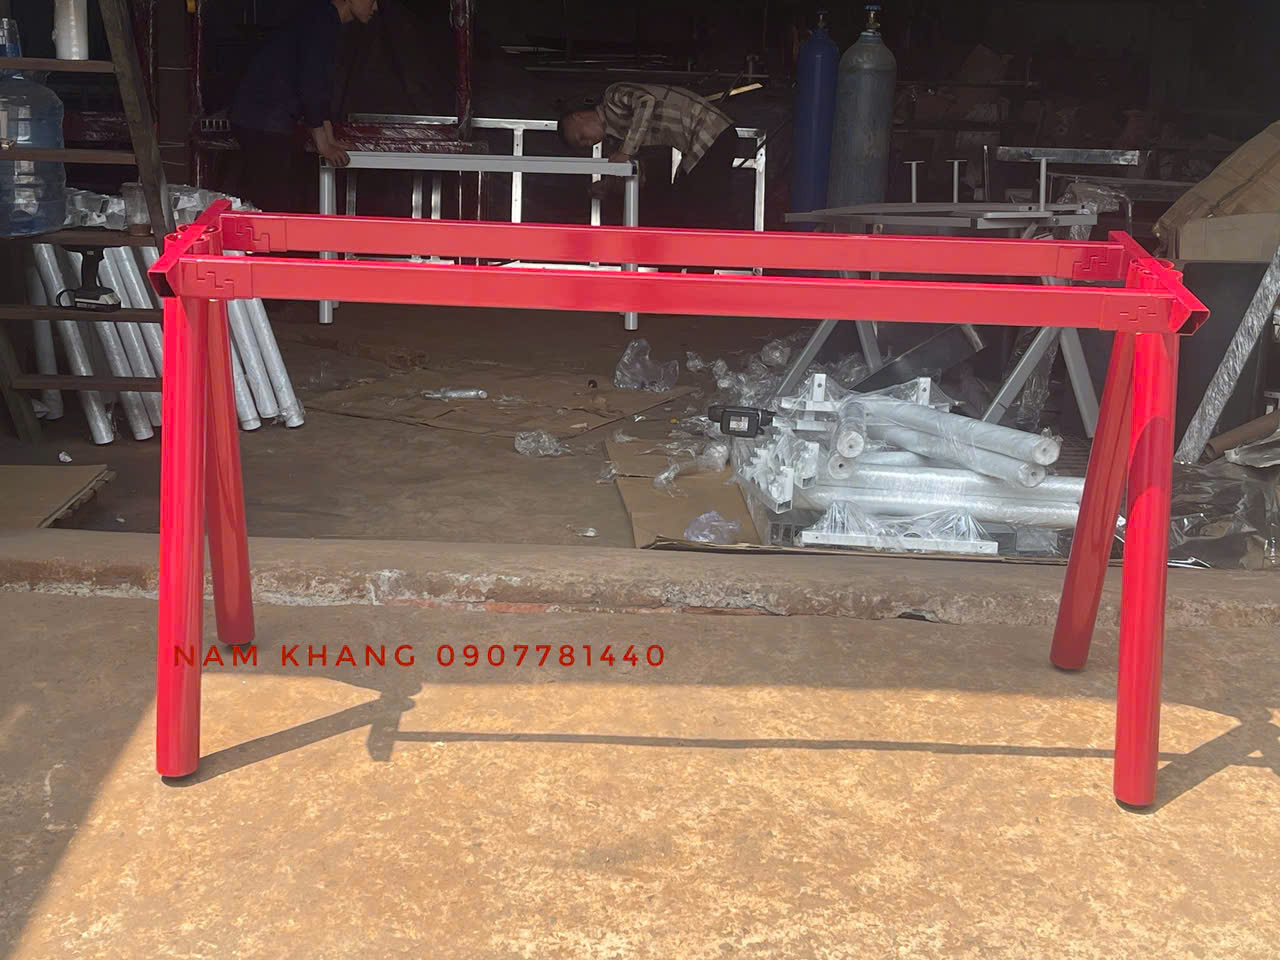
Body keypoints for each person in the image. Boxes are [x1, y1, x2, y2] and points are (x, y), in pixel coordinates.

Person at [229, 0, 378, 211]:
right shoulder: (320, 22)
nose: (375, 8)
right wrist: (323, 143)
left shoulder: (325, 21)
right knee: (273, 204)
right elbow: (311, 83)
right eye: (373, 0)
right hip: (263, 119)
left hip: (264, 119)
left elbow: (320, 88)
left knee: (274, 199)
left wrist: (330, 140)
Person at [558, 83, 739, 231]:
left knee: (704, 206)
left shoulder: (613, 95)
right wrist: (610, 185)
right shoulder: (618, 136)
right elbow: (641, 166)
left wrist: (626, 151)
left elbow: (646, 101)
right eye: (584, 145)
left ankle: (716, 255)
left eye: (581, 137)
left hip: (711, 131)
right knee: (685, 204)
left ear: (578, 116)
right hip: (698, 145)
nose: (588, 143)